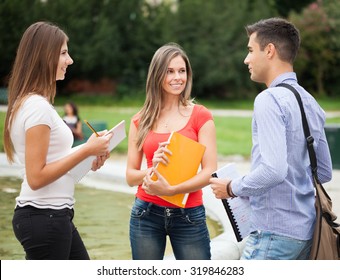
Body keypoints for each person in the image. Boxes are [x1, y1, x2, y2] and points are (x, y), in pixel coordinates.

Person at [210, 17, 332, 260]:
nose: (246, 59)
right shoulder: (310, 102)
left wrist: (232, 187)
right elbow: (324, 171)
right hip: (306, 232)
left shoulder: (269, 99)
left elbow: (274, 171)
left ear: (269, 51)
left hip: (273, 235)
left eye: (250, 50)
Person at [3, 21, 113, 260]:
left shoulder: (33, 104)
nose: (70, 60)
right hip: (45, 217)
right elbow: (37, 177)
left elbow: (53, 163)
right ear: (45, 56)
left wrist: (90, 151)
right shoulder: (37, 108)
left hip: (52, 216)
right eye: (63, 53)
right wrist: (85, 151)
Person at [126, 42, 217, 260]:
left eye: (182, 71)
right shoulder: (140, 120)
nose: (178, 77)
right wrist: (151, 171)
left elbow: (210, 171)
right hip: (145, 213)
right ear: (157, 74)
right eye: (170, 71)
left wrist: (171, 189)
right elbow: (130, 176)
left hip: (189, 215)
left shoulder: (201, 116)